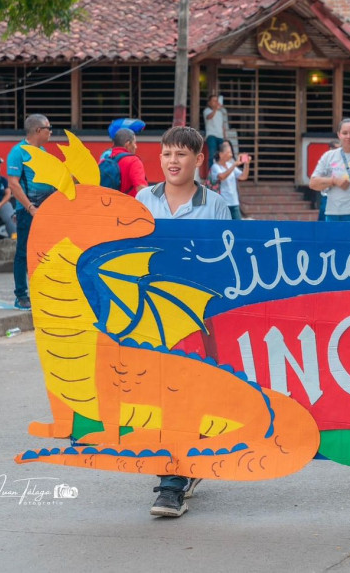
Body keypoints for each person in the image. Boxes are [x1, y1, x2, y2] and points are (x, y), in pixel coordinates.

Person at [135, 126, 230, 518]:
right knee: (155, 398)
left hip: (196, 320)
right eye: (167, 154)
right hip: (147, 318)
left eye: (182, 155)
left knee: (187, 394)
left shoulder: (216, 205)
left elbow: (226, 265)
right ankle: (178, 469)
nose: (173, 161)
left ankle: (171, 483)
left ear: (198, 160)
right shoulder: (142, 200)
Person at [7, 114, 55, 311]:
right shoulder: (18, 152)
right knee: (23, 253)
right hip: (29, 212)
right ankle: (21, 295)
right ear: (38, 130)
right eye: (48, 128)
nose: (51, 131)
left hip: (46, 212)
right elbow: (13, 183)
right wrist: (30, 208)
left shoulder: (43, 152)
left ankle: (43, 291)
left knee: (45, 253)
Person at [100, 120, 148, 197]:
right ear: (128, 144)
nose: (136, 146)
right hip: (128, 207)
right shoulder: (133, 161)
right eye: (134, 143)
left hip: (108, 205)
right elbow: (141, 188)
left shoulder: (103, 161)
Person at [209, 140, 250, 220]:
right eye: (228, 152)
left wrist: (246, 164)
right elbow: (222, 177)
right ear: (221, 154)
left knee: (237, 228)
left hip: (234, 202)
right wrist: (234, 165)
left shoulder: (230, 165)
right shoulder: (215, 167)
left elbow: (243, 176)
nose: (231, 155)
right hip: (222, 204)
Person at [202, 94, 227, 168]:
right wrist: (215, 109)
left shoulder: (220, 113)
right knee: (212, 156)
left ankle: (221, 173)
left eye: (217, 101)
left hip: (220, 136)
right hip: (211, 136)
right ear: (209, 103)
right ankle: (211, 176)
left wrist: (225, 138)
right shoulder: (207, 110)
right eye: (214, 101)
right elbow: (209, 117)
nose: (216, 102)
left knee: (222, 156)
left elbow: (222, 126)